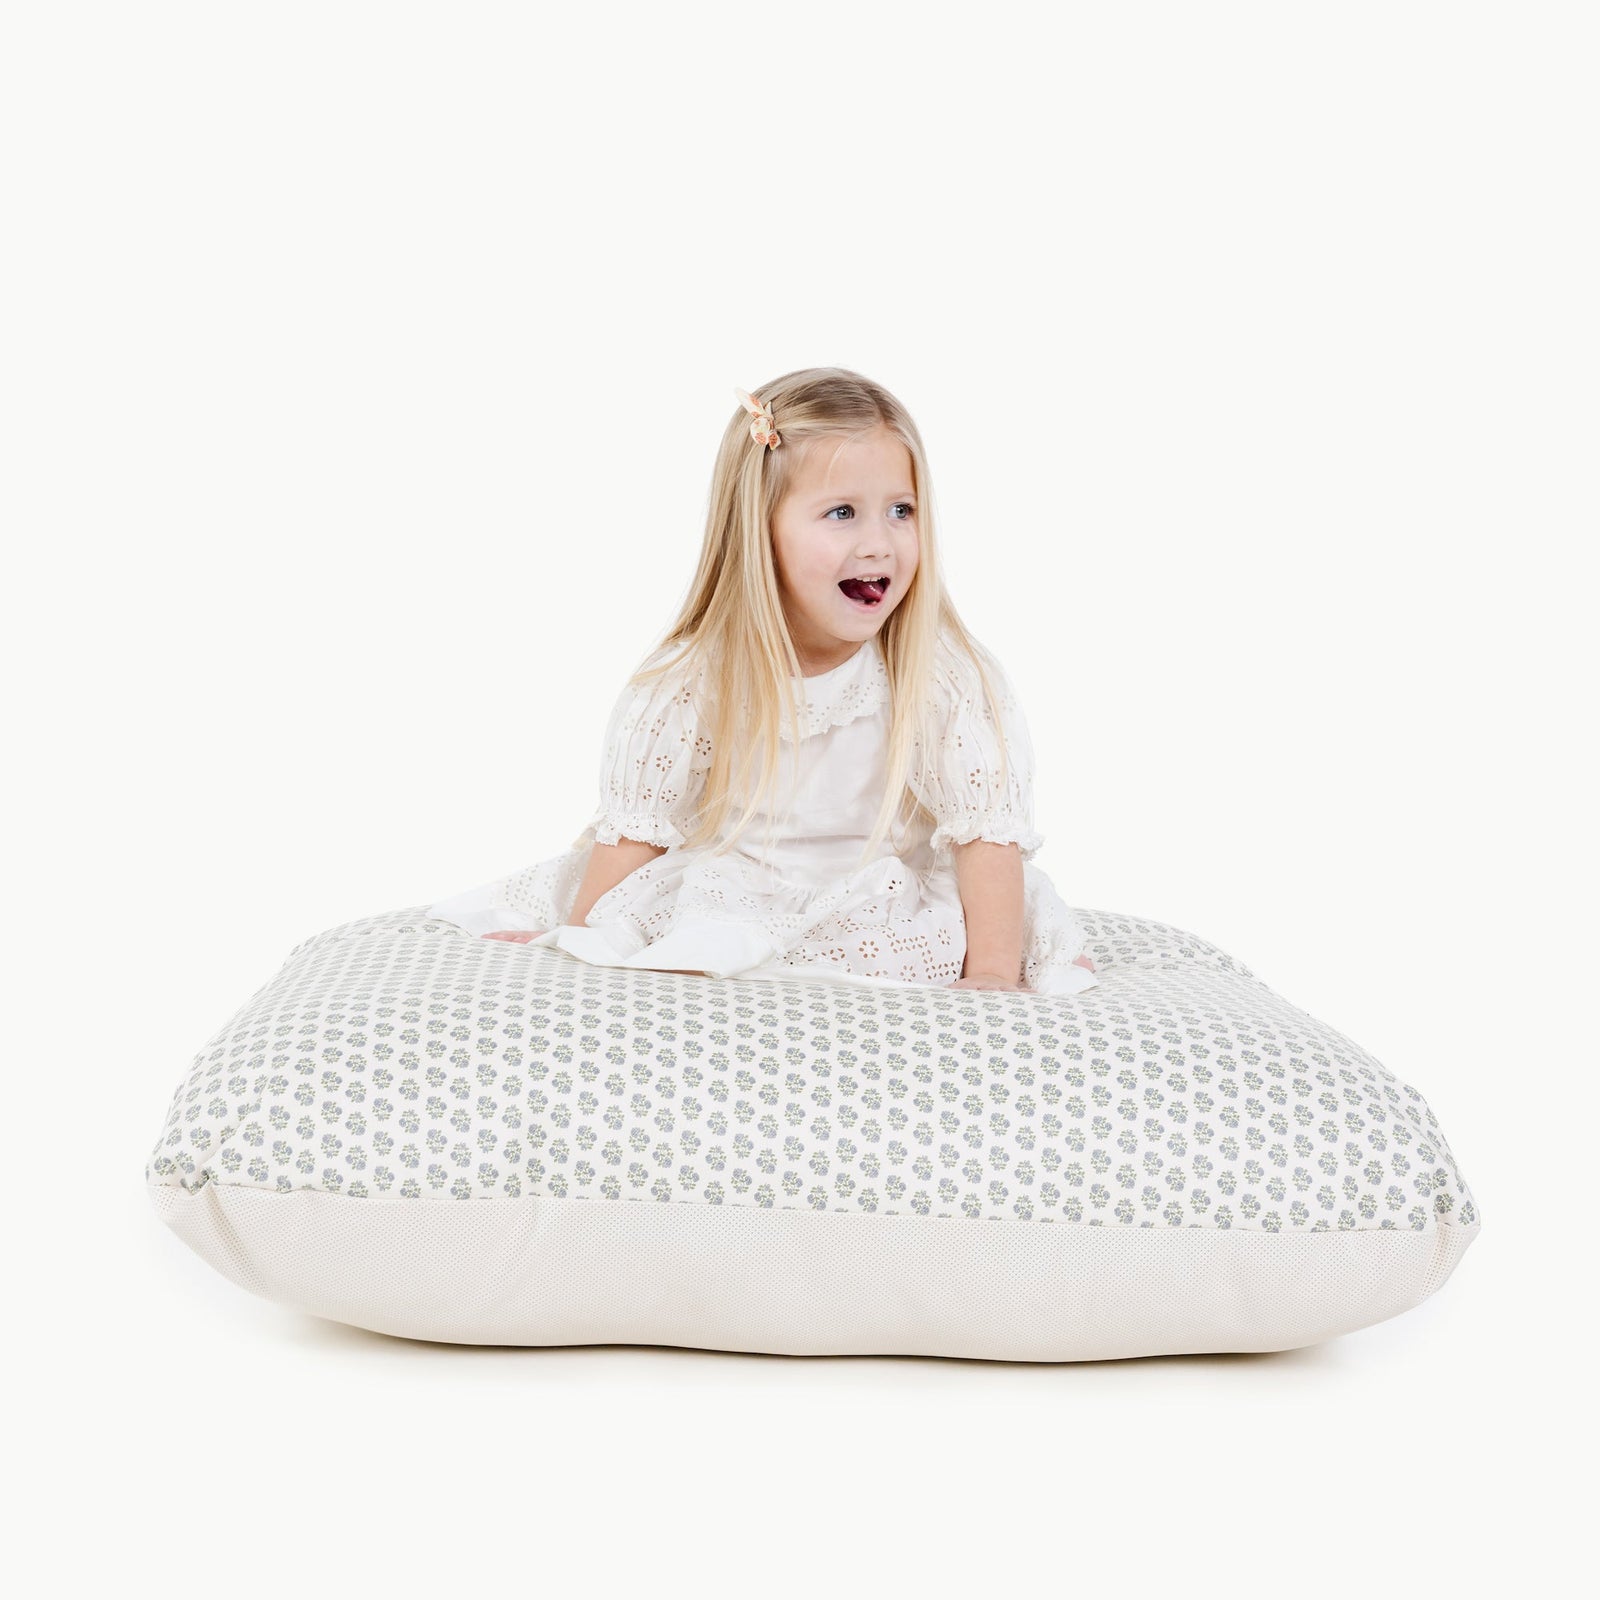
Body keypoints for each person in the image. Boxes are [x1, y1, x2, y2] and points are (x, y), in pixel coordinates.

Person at [426, 367, 1099, 995]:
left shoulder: (941, 676)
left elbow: (985, 837)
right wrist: (582, 943)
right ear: (760, 532)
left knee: (960, 930)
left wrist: (990, 979)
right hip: (738, 886)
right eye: (843, 513)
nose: (879, 543)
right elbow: (637, 836)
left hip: (883, 897)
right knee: (686, 929)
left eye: (901, 510)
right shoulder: (692, 681)